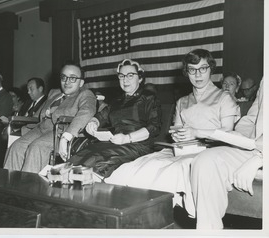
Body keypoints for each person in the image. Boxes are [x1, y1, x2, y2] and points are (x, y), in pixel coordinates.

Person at [105, 49, 240, 217]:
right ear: (187, 72)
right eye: (192, 69)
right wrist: (178, 136)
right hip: (182, 150)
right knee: (132, 170)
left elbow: (228, 133)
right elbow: (177, 129)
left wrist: (196, 133)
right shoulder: (182, 101)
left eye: (203, 68)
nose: (198, 74)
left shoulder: (224, 98)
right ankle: (136, 218)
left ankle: (155, 217)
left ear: (211, 69)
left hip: (211, 153)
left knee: (172, 173)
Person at [68, 59, 162, 178]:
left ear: (140, 78)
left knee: (97, 160)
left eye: (130, 75)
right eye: (121, 76)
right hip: (115, 142)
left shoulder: (149, 98)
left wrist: (127, 138)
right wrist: (93, 122)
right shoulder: (116, 101)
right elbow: (101, 116)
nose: (125, 79)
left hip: (138, 145)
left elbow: (154, 127)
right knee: (81, 155)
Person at [191, 78, 263, 229]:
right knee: (206, 161)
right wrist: (236, 139)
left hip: (262, 154)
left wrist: (259, 159)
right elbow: (251, 119)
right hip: (258, 146)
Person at [3, 62, 97, 173]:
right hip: (40, 129)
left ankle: (27, 187)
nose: (67, 82)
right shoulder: (54, 93)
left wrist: (67, 135)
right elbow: (38, 116)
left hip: (61, 131)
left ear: (81, 82)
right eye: (64, 77)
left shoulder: (85, 94)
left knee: (36, 148)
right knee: (16, 147)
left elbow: (87, 111)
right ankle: (9, 184)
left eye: (72, 78)